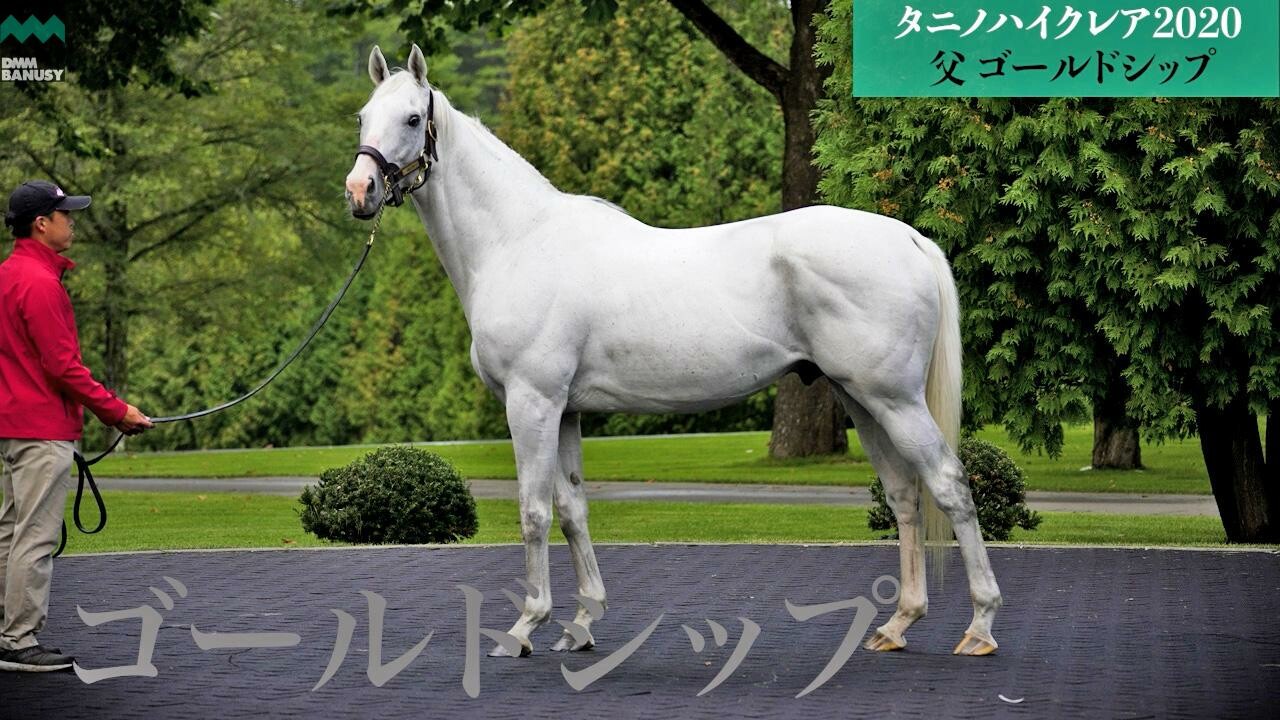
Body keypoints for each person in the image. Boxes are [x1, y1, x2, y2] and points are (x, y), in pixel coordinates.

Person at [0, 180, 153, 672]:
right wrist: (117, 411)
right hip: (41, 427)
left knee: (8, 532)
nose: (73, 221)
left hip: (13, 424)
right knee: (35, 538)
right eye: (65, 214)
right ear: (41, 223)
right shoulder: (40, 284)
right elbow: (62, 367)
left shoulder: (7, 275)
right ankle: (18, 641)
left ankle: (6, 632)